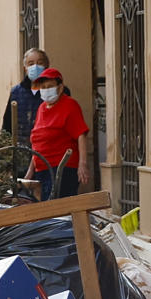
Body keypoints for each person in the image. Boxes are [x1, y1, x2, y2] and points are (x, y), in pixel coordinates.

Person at [25, 66, 89, 201]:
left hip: (62, 168)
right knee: (47, 210)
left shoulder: (70, 105)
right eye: (43, 87)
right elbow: (38, 142)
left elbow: (81, 135)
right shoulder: (42, 107)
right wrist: (30, 171)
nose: (46, 90)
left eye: (50, 86)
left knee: (59, 209)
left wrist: (82, 164)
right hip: (42, 169)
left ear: (60, 88)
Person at [0, 48, 66, 156]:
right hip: (21, 153)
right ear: (25, 68)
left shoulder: (57, 91)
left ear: (47, 65)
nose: (35, 66)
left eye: (40, 63)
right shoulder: (16, 92)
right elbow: (7, 124)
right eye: (31, 63)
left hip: (49, 152)